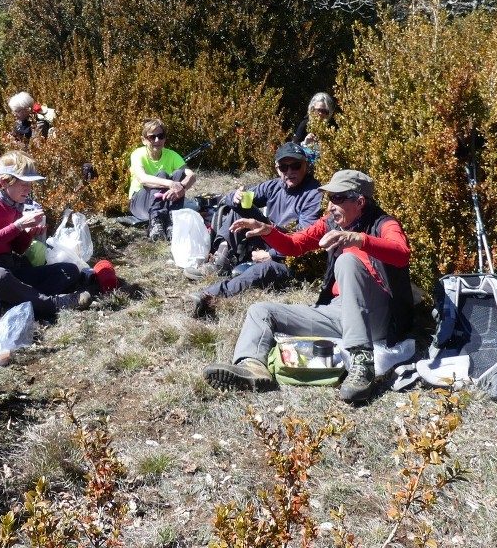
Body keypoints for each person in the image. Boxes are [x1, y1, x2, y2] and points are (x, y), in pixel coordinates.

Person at [202, 170, 413, 404]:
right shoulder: (331, 223)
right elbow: (294, 244)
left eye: (338, 198)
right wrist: (268, 231)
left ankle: (362, 364)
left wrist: (359, 240)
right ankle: (253, 368)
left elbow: (401, 254)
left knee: (347, 260)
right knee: (261, 311)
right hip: (339, 311)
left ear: (360, 201)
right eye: (330, 198)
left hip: (375, 314)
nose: (331, 205)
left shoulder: (384, 224)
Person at [184, 142, 322, 317]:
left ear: (306, 165)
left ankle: (208, 295)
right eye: (284, 167)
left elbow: (303, 241)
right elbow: (231, 199)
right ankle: (221, 259)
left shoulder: (314, 195)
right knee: (240, 206)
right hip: (269, 238)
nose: (289, 172)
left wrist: (271, 254)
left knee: (263, 270)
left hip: (290, 257)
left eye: (295, 166)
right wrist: (234, 197)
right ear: (277, 168)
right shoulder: (274, 186)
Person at [0, 151, 90, 318]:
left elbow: (18, 249)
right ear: (5, 182)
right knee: (0, 277)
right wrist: (18, 226)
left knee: (69, 270)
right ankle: (51, 304)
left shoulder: (15, 204)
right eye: (24, 184)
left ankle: (19, 301)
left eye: (30, 184)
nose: (29, 189)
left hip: (7, 268)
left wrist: (29, 233)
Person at [128, 118, 197, 242]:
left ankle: (173, 220)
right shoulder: (138, 154)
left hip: (163, 200)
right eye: (151, 137)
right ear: (143, 140)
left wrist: (182, 187)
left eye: (161, 136)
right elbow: (142, 178)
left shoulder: (172, 155)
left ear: (165, 138)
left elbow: (191, 175)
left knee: (179, 174)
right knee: (162, 175)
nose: (157, 140)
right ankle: (156, 222)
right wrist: (170, 183)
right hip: (139, 202)